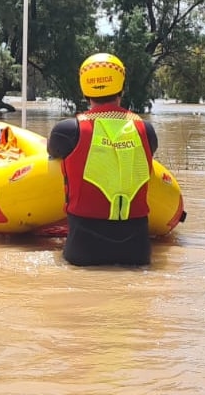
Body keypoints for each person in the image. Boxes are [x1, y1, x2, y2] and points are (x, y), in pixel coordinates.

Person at [46, 53, 158, 267]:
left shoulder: (67, 131)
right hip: (137, 250)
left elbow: (52, 152)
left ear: (84, 89)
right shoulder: (147, 130)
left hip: (84, 249)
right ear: (122, 88)